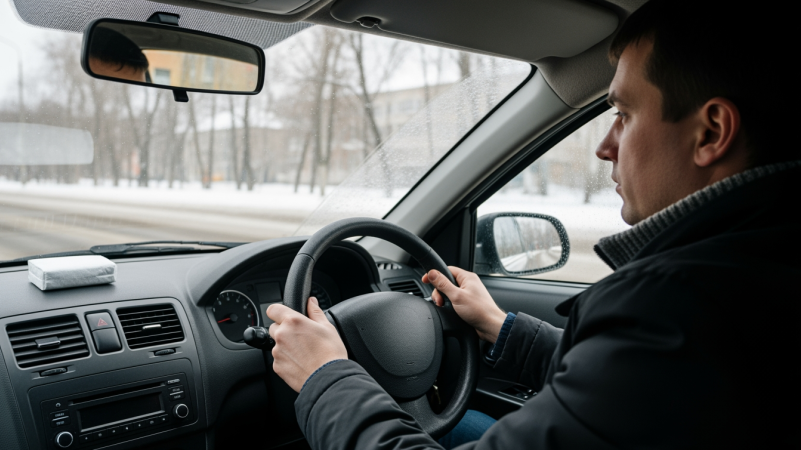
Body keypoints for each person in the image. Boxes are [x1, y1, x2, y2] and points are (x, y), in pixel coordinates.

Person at [266, 0, 800, 448]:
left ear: (711, 132)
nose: (605, 146)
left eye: (624, 114)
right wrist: (501, 327)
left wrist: (326, 376)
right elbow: (617, 386)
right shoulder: (747, 278)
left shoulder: (683, 310)